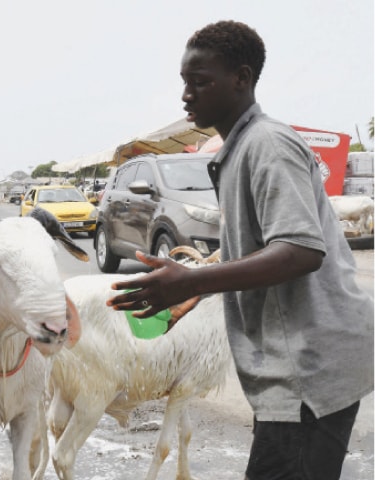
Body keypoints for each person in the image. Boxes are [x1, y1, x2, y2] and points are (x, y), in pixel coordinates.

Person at [106, 20, 373, 480]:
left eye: (200, 82)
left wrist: (193, 279)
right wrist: (198, 292)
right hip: (293, 367)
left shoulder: (267, 145)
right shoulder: (240, 148)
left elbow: (300, 251)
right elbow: (265, 251)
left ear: (242, 79)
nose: (186, 95)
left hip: (309, 367)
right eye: (185, 83)